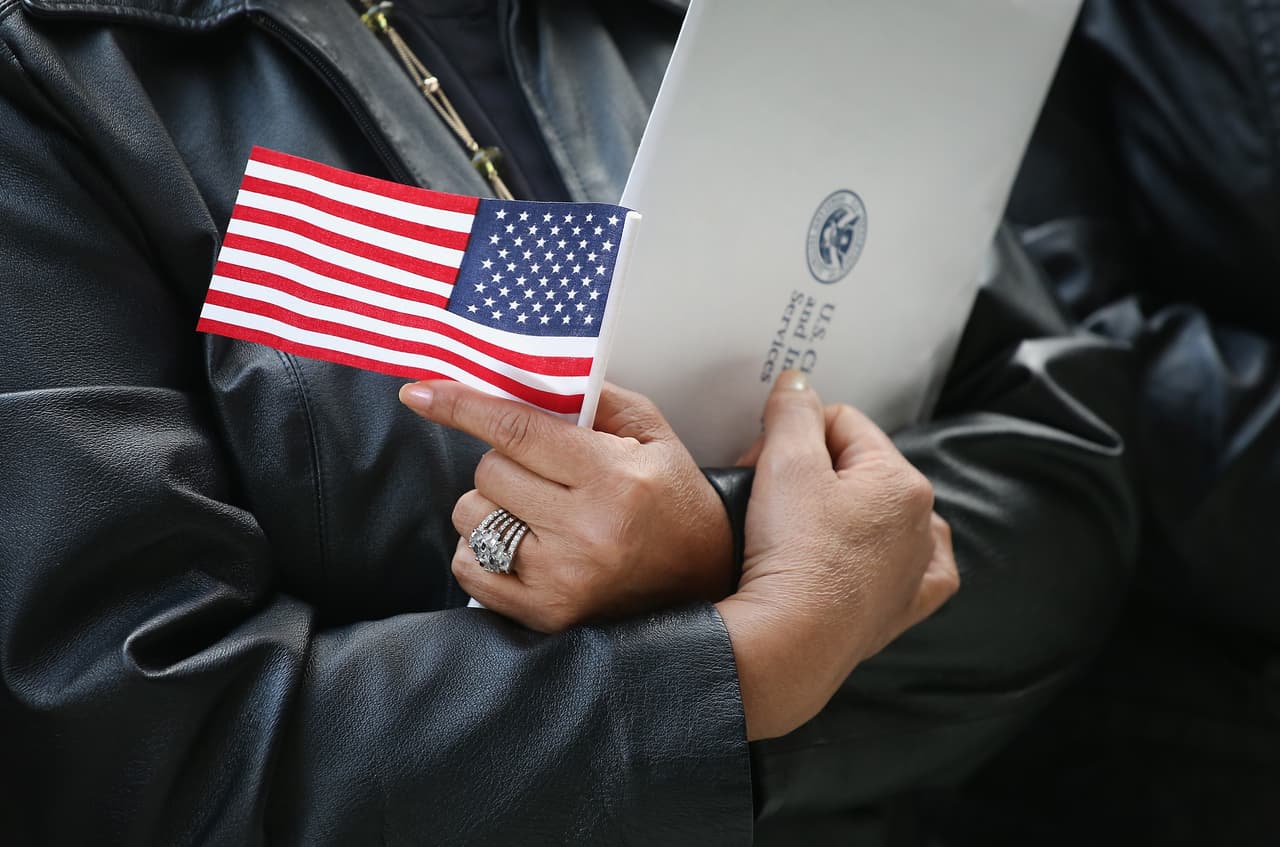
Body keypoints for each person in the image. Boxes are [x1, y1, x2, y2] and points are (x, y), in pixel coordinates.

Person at [0, 0, 1136, 843]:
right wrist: (741, 661)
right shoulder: (54, 70)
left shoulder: (717, 23)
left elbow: (1064, 485)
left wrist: (716, 545)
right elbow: (135, 763)